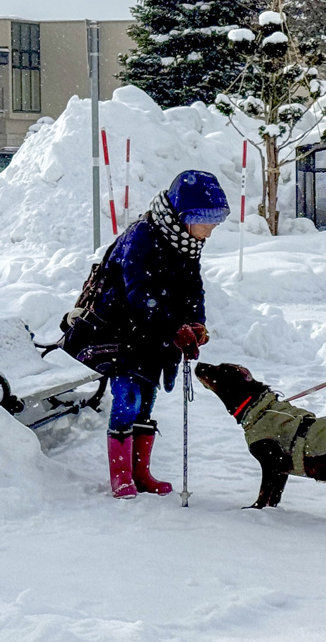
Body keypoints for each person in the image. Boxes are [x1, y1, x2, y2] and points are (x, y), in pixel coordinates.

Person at [92, 170, 229, 499]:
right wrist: (174, 328)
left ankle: (141, 474)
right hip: (121, 333)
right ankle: (121, 477)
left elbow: (193, 289)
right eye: (207, 223)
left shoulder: (187, 242)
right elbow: (139, 296)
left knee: (147, 401)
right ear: (186, 217)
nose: (209, 233)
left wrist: (196, 323)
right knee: (127, 399)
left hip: (154, 336)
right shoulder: (143, 236)